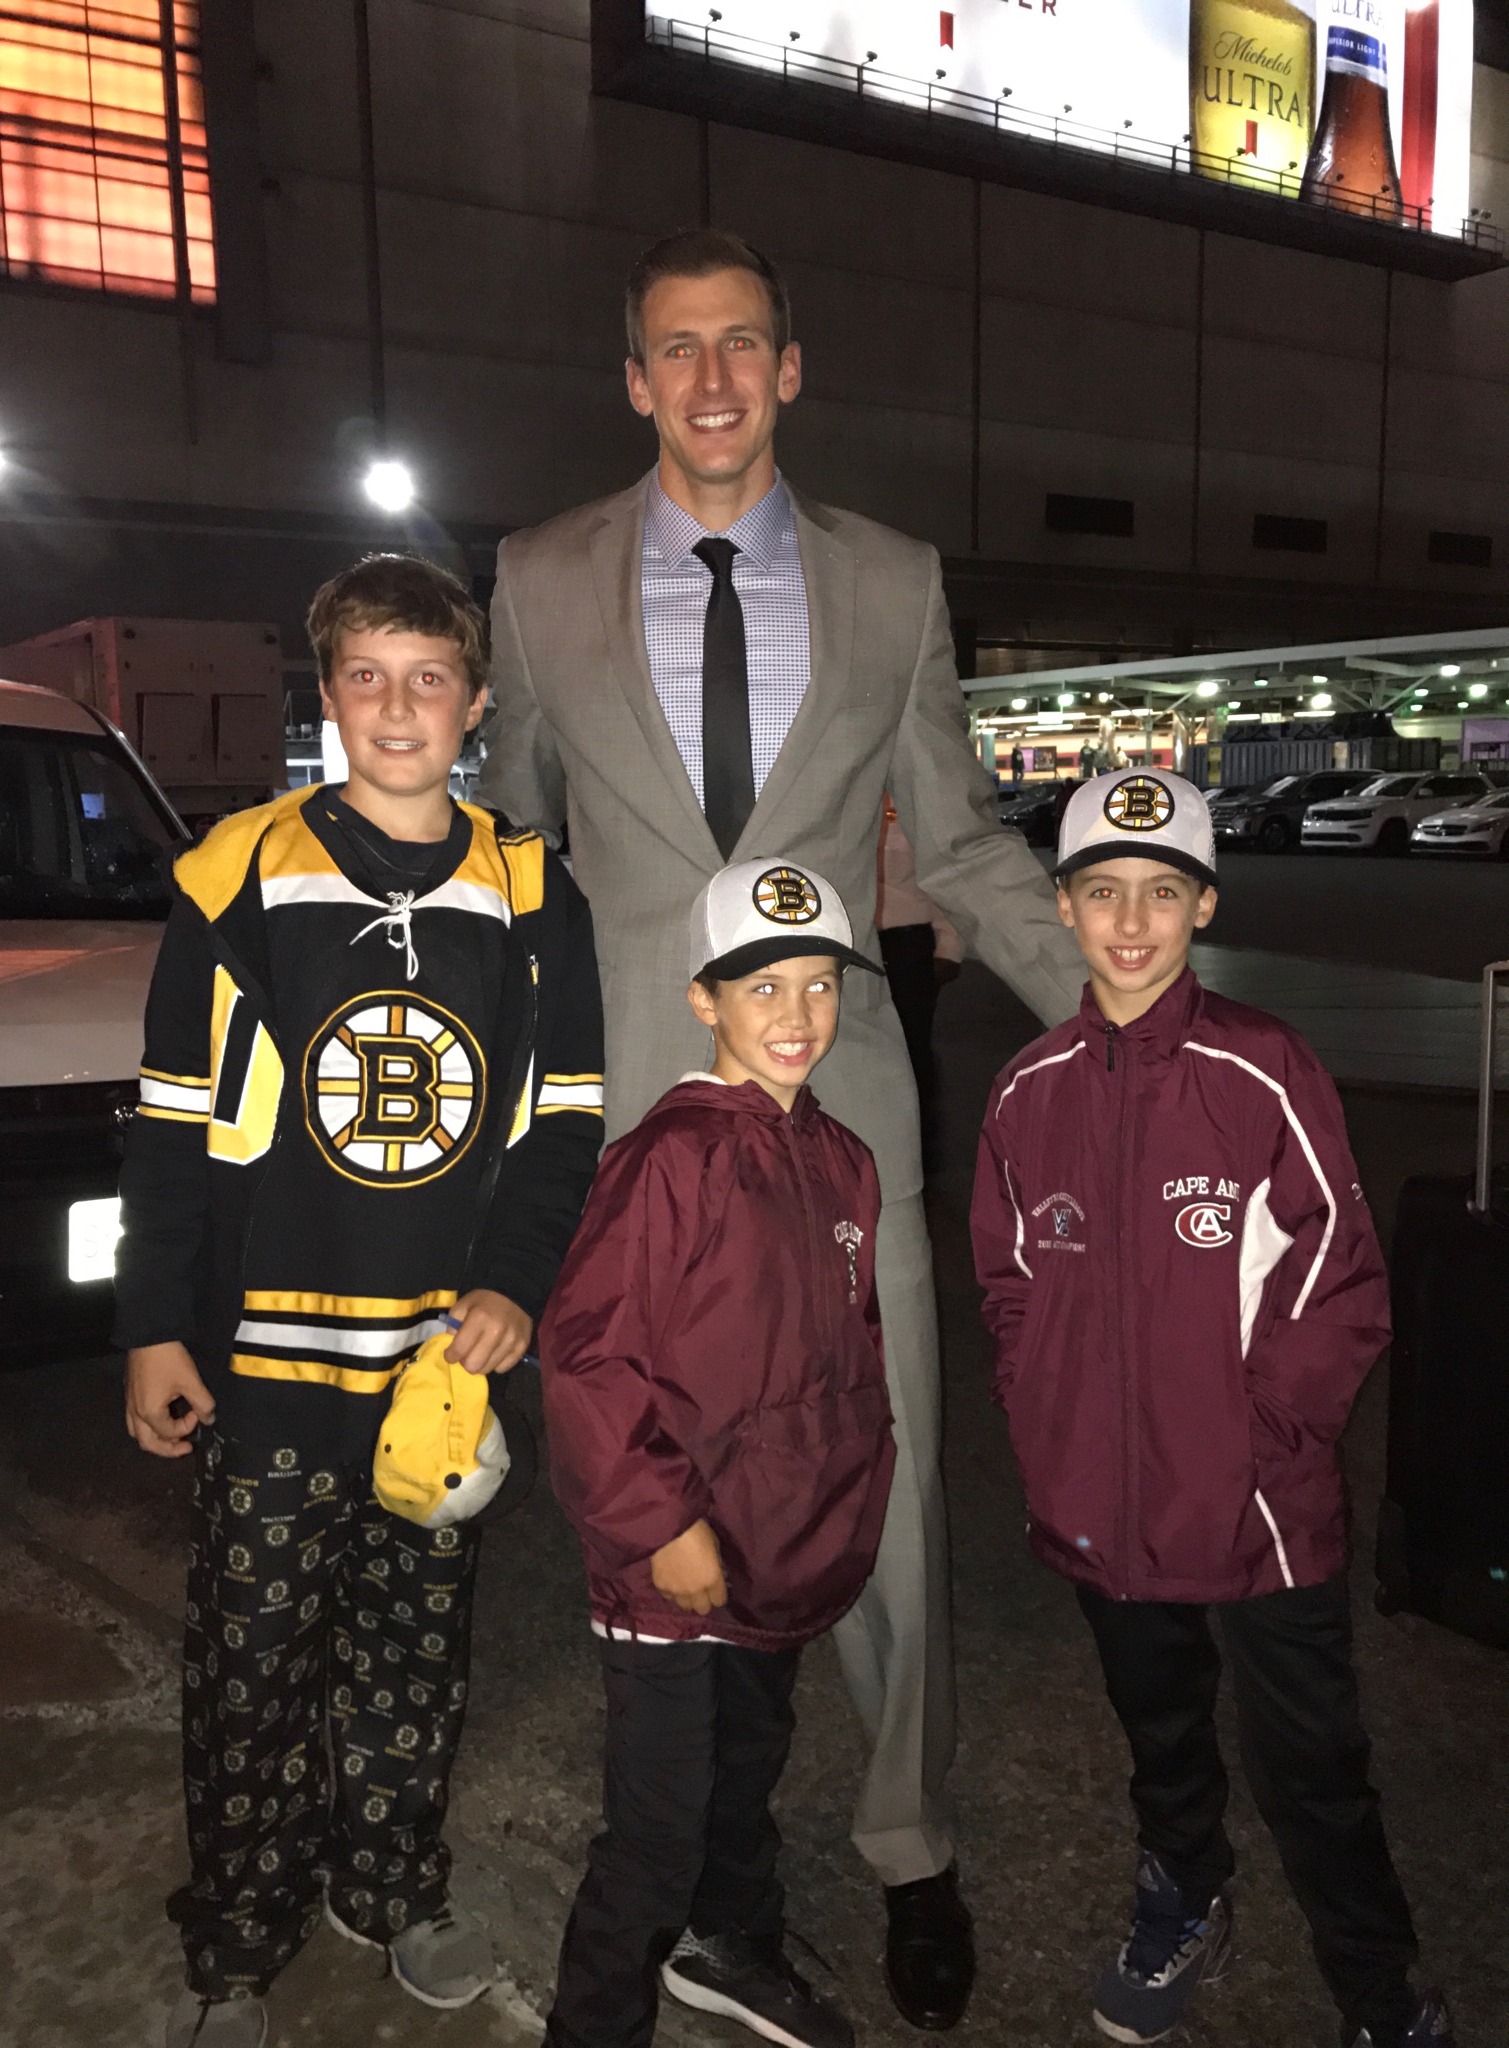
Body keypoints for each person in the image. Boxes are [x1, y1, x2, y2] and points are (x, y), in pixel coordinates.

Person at [477, 226, 1083, 2029]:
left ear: (790, 369)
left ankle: (910, 1836)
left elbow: (958, 839)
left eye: (743, 342)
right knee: (647, 1465)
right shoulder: (538, 578)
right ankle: (683, 1848)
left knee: (886, 1468)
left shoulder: (894, 582)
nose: (714, 378)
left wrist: (1119, 1002)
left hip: (846, 1102)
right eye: (679, 348)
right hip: (629, 1108)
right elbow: (509, 858)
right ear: (635, 379)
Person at [116, 554, 605, 2048]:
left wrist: (514, 1282)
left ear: (476, 701)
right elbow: (174, 1120)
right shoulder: (239, 874)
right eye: (368, 677)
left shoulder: (530, 888)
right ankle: (239, 1937)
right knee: (253, 1662)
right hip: (266, 1362)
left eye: (430, 679)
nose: (399, 708)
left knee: (414, 1650)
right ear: (325, 693)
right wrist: (153, 1321)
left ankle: (389, 1883)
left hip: (433, 1372)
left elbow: (563, 1115)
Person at [968, 770, 1453, 2048]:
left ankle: (1376, 1986)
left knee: (1314, 1760)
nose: (1132, 921)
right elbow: (1008, 1280)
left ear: (1204, 905)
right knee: (1161, 1729)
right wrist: (1044, 1420)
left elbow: (1337, 1276)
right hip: (1101, 1500)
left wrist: (1262, 1443)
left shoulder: (1262, 1069)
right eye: (1104, 890)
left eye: (1162, 892)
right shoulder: (1027, 1089)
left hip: (1256, 1508)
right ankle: (1185, 1891)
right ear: (1063, 905)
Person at [538, 859, 895, 2048]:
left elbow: (849, 1355)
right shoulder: (670, 1157)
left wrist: (847, 1497)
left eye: (819, 983)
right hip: (672, 1569)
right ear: (705, 998)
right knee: (655, 1828)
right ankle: (595, 2024)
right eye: (761, 986)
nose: (797, 1013)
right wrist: (661, 1523)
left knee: (745, 1781)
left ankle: (728, 1942)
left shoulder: (844, 1158)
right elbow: (588, 1360)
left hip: (778, 1548)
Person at [876, 794, 963, 1167]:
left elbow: (943, 877)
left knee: (911, 1048)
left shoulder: (914, 802)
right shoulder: (844, 798)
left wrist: (949, 946)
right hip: (853, 941)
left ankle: (919, 1148)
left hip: (908, 943)